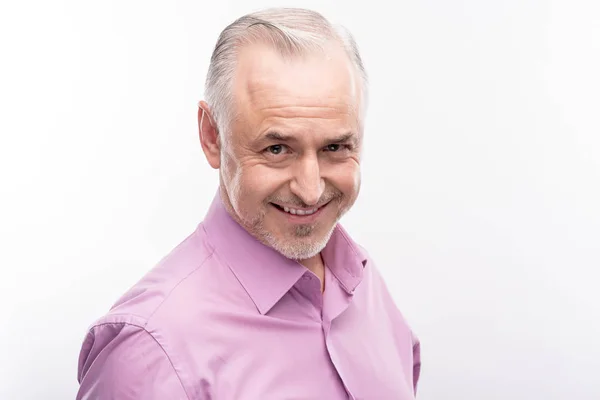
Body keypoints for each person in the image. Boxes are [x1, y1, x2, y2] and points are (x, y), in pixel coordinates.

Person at [76, 7, 421, 400]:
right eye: (277, 148)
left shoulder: (364, 283)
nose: (310, 190)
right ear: (211, 136)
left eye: (335, 147)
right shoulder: (150, 350)